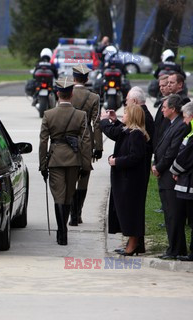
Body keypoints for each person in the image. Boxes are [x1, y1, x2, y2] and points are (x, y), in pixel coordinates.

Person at [39, 77, 91, 245]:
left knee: (59, 196)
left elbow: (43, 142)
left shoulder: (48, 114)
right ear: (72, 94)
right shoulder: (81, 115)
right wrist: (85, 164)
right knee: (68, 196)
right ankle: (63, 230)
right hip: (74, 160)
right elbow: (85, 141)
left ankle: (62, 233)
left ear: (58, 93)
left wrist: (42, 164)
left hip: (55, 160)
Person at [100, 104, 149, 255]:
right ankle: (134, 243)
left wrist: (117, 161)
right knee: (126, 212)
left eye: (126, 114)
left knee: (131, 213)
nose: (123, 116)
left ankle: (133, 245)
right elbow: (121, 136)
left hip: (131, 182)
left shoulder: (136, 135)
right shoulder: (130, 132)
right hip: (126, 180)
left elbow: (135, 157)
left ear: (133, 116)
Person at [152, 94, 189, 259]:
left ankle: (176, 249)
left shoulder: (181, 125)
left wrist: (159, 167)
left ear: (173, 109)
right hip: (164, 175)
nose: (163, 110)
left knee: (174, 214)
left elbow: (172, 151)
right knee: (169, 213)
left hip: (169, 175)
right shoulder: (171, 123)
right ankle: (173, 247)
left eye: (165, 107)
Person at [69, 64, 101, 226]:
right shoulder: (93, 97)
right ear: (87, 79)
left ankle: (70, 214)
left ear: (74, 78)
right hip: (85, 140)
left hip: (67, 140)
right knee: (83, 177)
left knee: (69, 177)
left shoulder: (66, 94)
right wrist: (99, 147)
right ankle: (77, 213)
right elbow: (96, 123)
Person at [170, 102, 193, 261]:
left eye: (185, 117)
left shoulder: (191, 136)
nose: (184, 121)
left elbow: (185, 157)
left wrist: (174, 171)